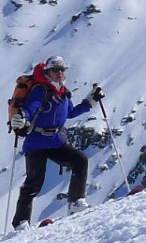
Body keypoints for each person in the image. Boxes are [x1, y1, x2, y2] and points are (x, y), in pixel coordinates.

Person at [9, 55, 99, 228]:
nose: (59, 73)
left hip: (55, 141)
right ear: (47, 72)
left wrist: (90, 102)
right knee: (33, 184)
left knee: (79, 160)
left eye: (62, 69)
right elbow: (31, 107)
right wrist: (22, 117)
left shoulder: (63, 92)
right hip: (36, 142)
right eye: (55, 70)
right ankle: (20, 223)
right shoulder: (41, 90)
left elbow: (70, 113)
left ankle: (76, 202)